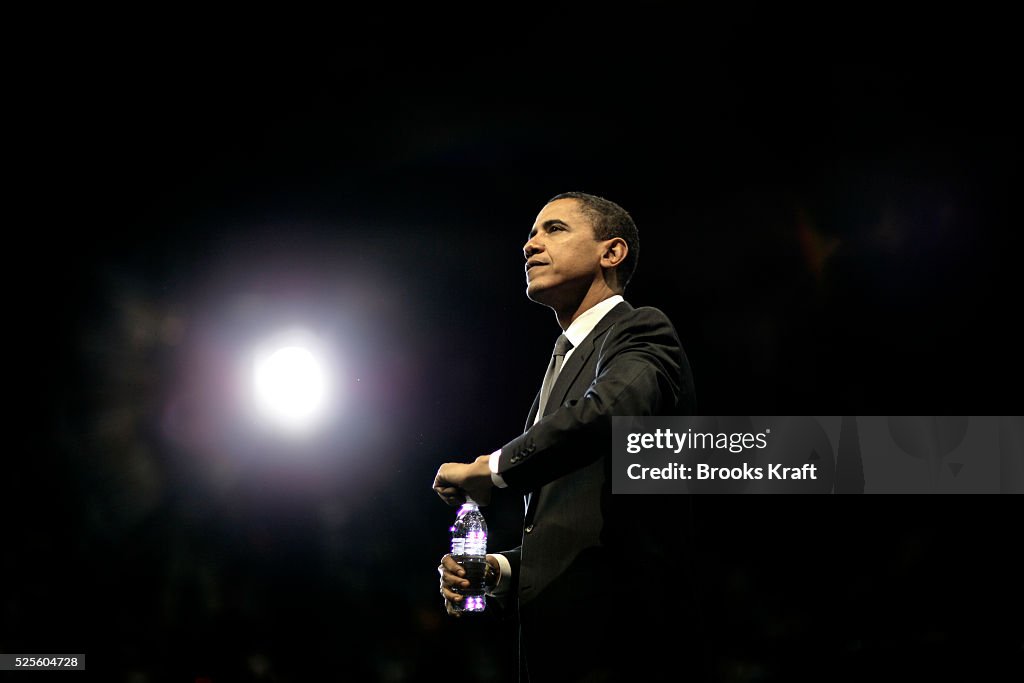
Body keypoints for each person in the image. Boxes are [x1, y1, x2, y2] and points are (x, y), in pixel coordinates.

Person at [433, 192, 697, 682]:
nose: (531, 245)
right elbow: (575, 523)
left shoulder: (639, 329)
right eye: (531, 234)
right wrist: (499, 570)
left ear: (610, 253)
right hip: (553, 645)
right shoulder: (561, 368)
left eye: (553, 229)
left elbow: (610, 413)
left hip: (620, 643)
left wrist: (491, 470)